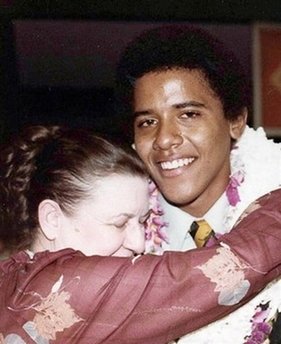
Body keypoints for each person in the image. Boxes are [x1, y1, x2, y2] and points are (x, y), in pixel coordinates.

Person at [1, 125, 281, 344]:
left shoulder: (17, 279)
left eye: (144, 221)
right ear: (52, 219)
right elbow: (240, 262)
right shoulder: (65, 286)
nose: (139, 243)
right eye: (119, 224)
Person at [115, 25, 281, 342]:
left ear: (235, 121)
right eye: (147, 122)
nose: (164, 139)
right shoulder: (110, 244)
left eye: (188, 114)